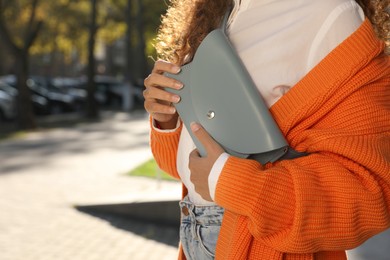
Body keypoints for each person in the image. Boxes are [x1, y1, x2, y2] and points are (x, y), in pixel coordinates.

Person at [143, 0, 390, 259]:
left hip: (259, 243)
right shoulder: (216, 10)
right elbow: (187, 170)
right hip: (193, 229)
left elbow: (371, 191)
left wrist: (229, 181)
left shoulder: (330, 12)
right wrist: (168, 120)